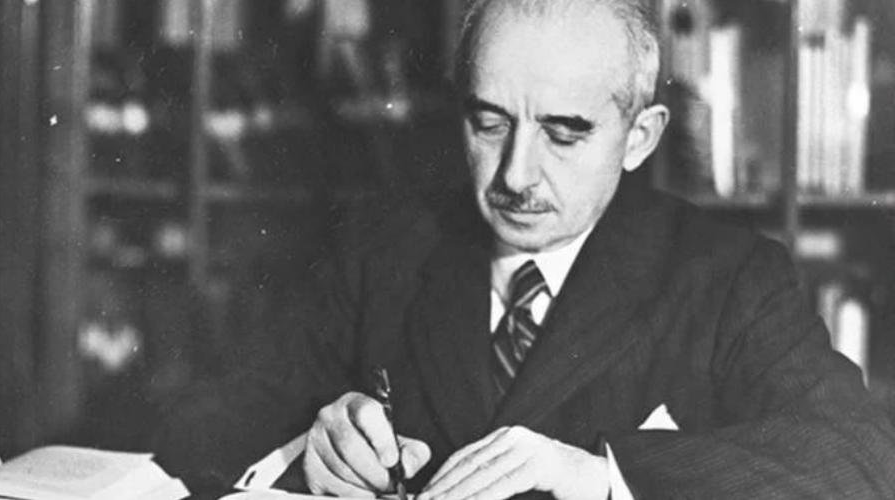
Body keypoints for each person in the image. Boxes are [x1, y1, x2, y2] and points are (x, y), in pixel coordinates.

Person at [154, 1, 895, 499]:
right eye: (489, 124)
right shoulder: (386, 246)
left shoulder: (727, 275)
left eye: (564, 134)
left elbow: (862, 462)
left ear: (640, 138)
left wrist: (602, 477)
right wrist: (306, 450)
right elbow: (197, 424)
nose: (515, 175)